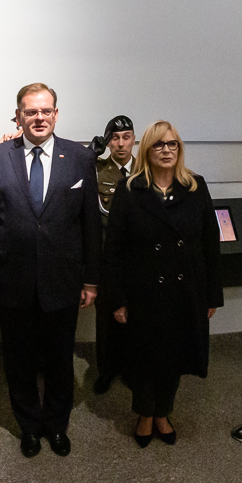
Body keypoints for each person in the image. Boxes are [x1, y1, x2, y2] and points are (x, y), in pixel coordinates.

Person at [0, 83, 101, 457]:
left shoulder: (79, 158)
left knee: (60, 360)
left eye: (46, 111)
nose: (39, 118)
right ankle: (29, 426)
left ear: (56, 114)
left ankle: (56, 426)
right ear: (19, 116)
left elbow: (90, 224)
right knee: (19, 361)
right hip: (11, 280)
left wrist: (91, 279)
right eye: (31, 112)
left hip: (63, 280)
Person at [100, 121, 222, 446]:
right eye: (159, 144)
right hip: (143, 291)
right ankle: (144, 413)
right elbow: (113, 250)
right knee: (144, 357)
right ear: (147, 150)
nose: (166, 150)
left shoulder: (194, 186)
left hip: (185, 290)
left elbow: (210, 243)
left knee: (174, 357)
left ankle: (163, 412)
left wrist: (212, 295)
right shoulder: (130, 189)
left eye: (172, 144)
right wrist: (117, 299)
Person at [88, 115, 136, 395]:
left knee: (136, 316)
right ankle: (106, 370)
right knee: (106, 319)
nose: (120, 144)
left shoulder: (146, 170)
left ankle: (131, 368)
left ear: (134, 140)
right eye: (115, 138)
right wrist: (88, 156)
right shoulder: (96, 170)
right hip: (107, 259)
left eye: (126, 137)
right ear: (108, 142)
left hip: (138, 259)